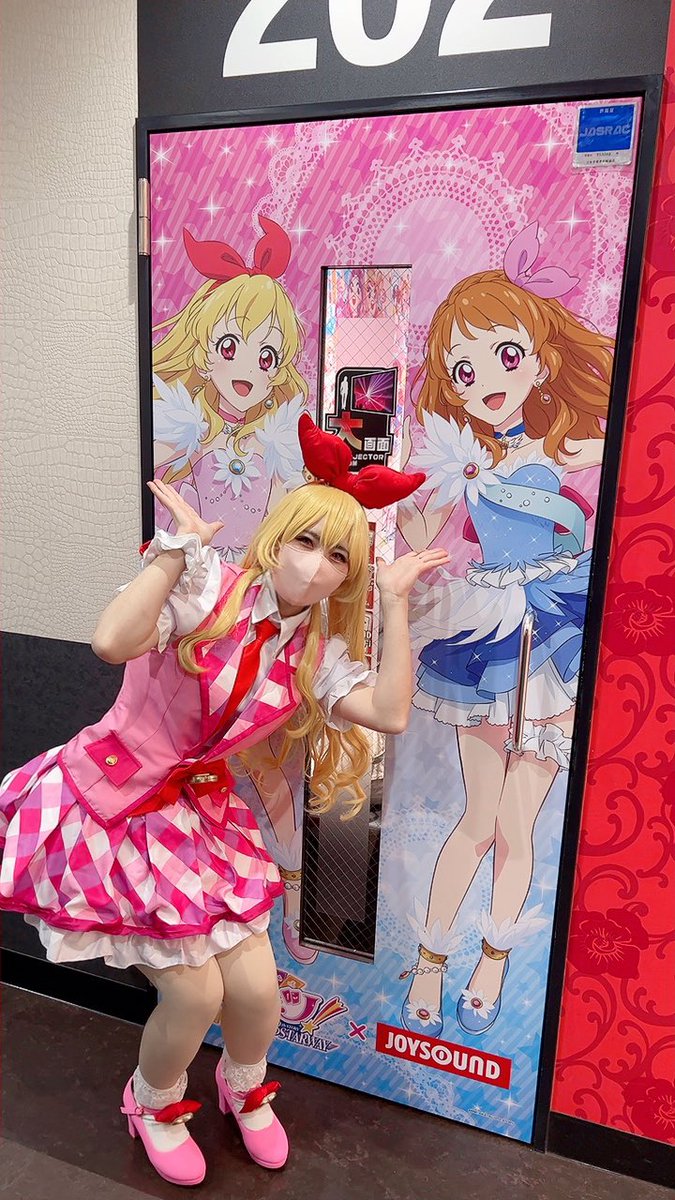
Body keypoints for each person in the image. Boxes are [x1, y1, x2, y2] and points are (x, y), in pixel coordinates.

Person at [0, 415, 446, 1186]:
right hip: (112, 804)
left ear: (348, 577)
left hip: (196, 815)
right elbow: (111, 642)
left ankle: (244, 1089)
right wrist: (173, 555)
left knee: (256, 988)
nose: (314, 565)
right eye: (305, 541)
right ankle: (152, 1102)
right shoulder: (206, 586)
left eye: (338, 556)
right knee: (194, 993)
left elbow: (389, 712)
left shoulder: (313, 651)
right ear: (277, 536)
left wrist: (396, 602)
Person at [397, 223, 612, 1037]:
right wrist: (406, 520)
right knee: (479, 818)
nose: (484, 380)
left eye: (504, 355)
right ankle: (429, 958)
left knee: (517, 824)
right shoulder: (465, 463)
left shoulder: (574, 445)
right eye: (464, 369)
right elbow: (422, 533)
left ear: (540, 360)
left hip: (557, 637)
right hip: (489, 639)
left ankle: (491, 959)